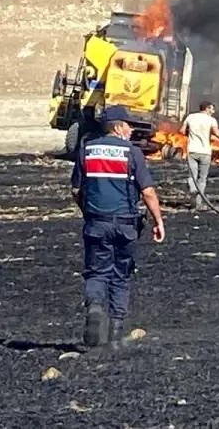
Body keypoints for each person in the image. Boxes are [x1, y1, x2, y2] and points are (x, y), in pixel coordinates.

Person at [70, 105, 165, 348]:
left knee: (96, 272)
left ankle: (94, 307)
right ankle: (115, 332)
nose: (132, 129)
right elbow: (148, 192)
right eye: (129, 124)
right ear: (118, 126)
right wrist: (158, 221)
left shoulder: (86, 150)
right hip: (125, 224)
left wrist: (88, 212)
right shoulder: (132, 153)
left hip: (96, 222)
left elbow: (76, 190)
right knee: (121, 275)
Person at [181, 101, 219, 208]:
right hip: (205, 153)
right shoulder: (211, 120)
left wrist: (191, 134)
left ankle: (193, 190)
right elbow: (217, 133)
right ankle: (199, 203)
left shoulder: (190, 117)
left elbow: (182, 131)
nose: (213, 112)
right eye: (212, 109)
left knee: (192, 175)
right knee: (202, 178)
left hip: (192, 151)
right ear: (207, 108)